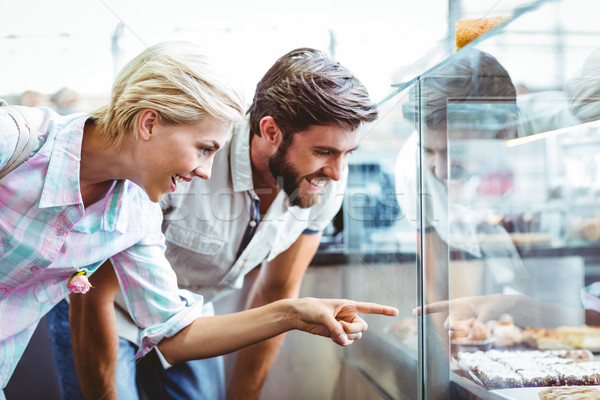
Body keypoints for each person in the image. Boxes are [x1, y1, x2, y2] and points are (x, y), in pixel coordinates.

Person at [0, 41, 399, 400]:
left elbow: (182, 328)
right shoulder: (31, 144)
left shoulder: (134, 211)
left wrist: (292, 315)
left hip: (178, 308)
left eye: (347, 154)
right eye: (325, 152)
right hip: (106, 309)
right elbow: (94, 298)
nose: (336, 172)